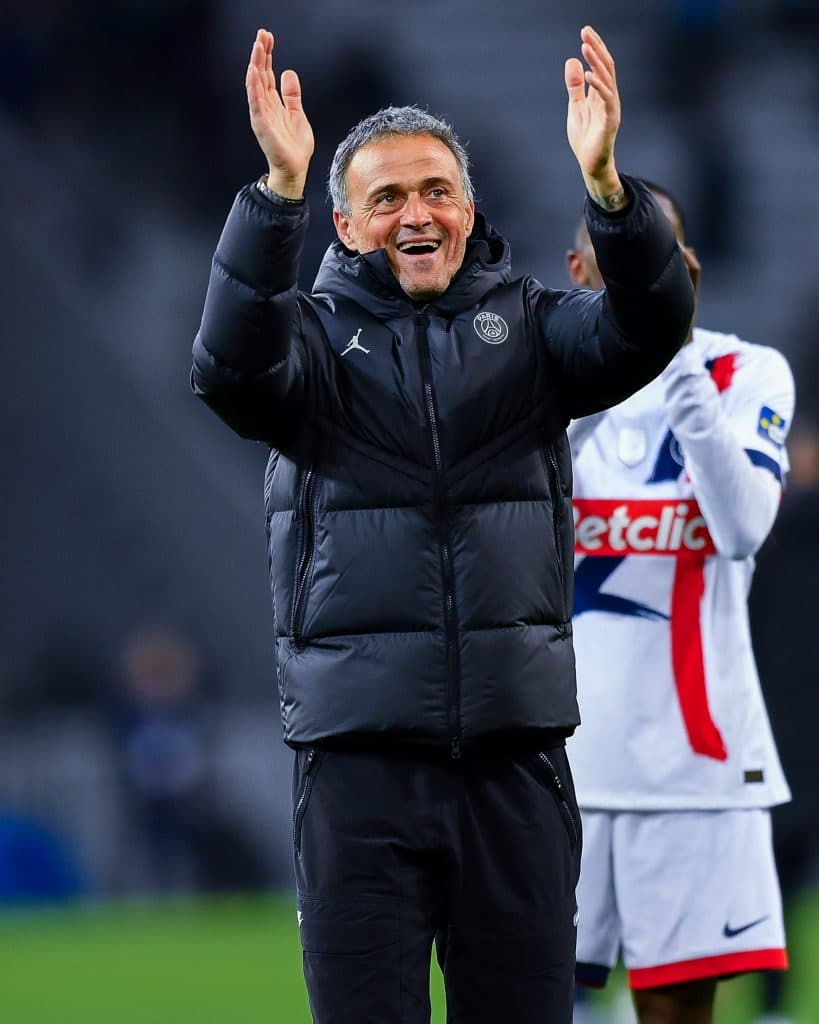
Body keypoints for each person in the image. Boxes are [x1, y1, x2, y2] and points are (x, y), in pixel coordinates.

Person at [190, 26, 694, 1024]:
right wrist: (275, 195)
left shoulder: (536, 326)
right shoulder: (308, 345)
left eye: (435, 191)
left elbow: (649, 327)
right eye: (387, 198)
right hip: (358, 766)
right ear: (344, 225)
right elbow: (229, 372)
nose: (415, 213)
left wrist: (608, 192)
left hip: (514, 761)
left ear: (468, 209)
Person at [565, 181, 795, 1024]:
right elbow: (503, 522)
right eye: (613, 252)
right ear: (576, 268)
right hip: (552, 767)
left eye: (649, 252)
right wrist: (588, 378)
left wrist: (676, 354)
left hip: (697, 773)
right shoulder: (538, 384)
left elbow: (738, 528)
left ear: (686, 267)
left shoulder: (743, 373)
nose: (632, 269)